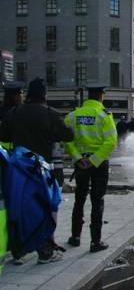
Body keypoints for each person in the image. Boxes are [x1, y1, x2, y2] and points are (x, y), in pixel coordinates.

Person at [0, 78, 74, 262]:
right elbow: (68, 135)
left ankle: (18, 251)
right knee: (46, 209)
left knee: (18, 209)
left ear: (27, 94)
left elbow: (4, 135)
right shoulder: (50, 113)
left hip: (18, 170)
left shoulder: (14, 112)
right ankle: (45, 251)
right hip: (41, 170)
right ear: (44, 95)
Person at [65, 83, 117, 253]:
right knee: (97, 201)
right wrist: (94, 160)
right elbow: (111, 142)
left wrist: (79, 159)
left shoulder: (73, 115)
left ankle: (75, 237)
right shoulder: (104, 115)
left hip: (80, 163)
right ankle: (95, 241)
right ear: (102, 95)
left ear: (88, 96)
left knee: (79, 199)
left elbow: (67, 140)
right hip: (98, 164)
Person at [0, 81, 25, 150]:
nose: (22, 96)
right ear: (15, 96)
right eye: (21, 93)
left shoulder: (1, 110)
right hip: (17, 152)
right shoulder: (21, 111)